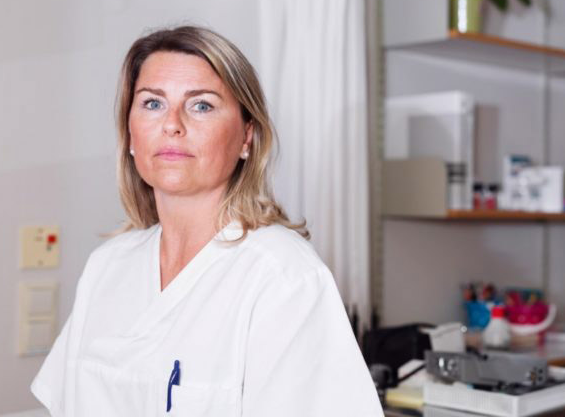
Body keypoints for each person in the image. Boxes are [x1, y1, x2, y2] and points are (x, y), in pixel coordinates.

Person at [30, 26, 383, 416]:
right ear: (129, 134)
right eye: (152, 103)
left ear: (247, 137)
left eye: (201, 106)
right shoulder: (106, 266)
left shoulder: (283, 277)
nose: (172, 124)